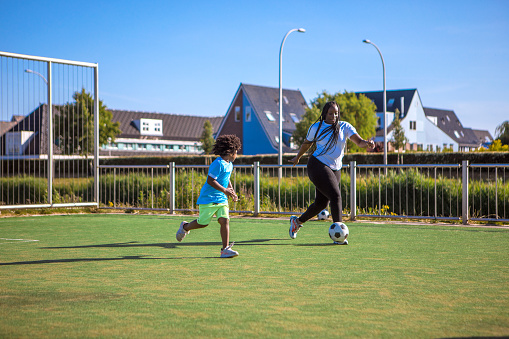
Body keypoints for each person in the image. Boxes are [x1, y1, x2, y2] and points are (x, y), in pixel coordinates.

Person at [288, 101, 375, 244]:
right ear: (324, 113)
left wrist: (367, 143)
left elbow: (359, 142)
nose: (333, 116)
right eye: (330, 113)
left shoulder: (344, 126)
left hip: (335, 168)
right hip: (317, 165)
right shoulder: (317, 127)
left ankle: (297, 222)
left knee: (321, 203)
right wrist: (298, 157)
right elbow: (306, 143)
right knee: (335, 196)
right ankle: (339, 235)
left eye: (336, 113)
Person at [176, 134, 242, 258]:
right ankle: (185, 227)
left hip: (222, 199)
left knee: (224, 220)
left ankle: (225, 249)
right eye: (236, 152)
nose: (237, 154)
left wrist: (231, 191)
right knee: (203, 223)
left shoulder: (230, 164)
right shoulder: (217, 163)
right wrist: (224, 190)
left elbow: (226, 179)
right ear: (230, 151)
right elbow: (211, 181)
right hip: (209, 198)